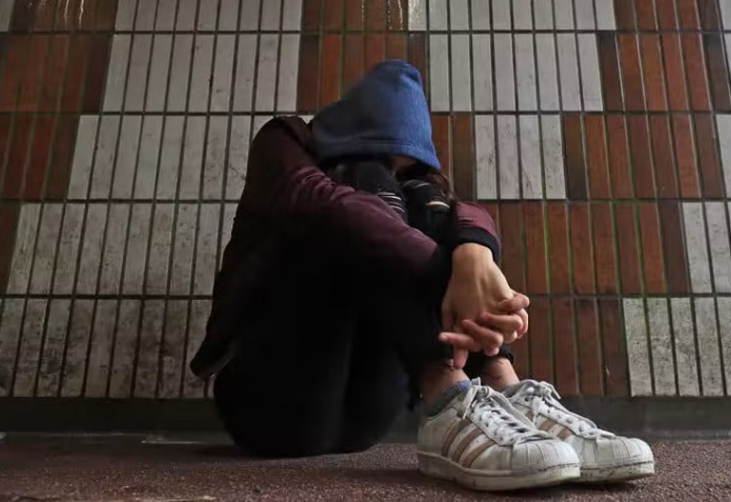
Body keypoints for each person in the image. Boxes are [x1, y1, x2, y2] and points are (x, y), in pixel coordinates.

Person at [189, 61, 654, 491]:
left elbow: (461, 213)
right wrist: (446, 271)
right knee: (366, 202)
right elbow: (325, 206)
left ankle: (504, 389)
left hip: (361, 416)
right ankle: (448, 395)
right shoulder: (285, 140)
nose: (395, 172)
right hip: (267, 402)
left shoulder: (420, 188)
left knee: (426, 203)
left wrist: (475, 254)